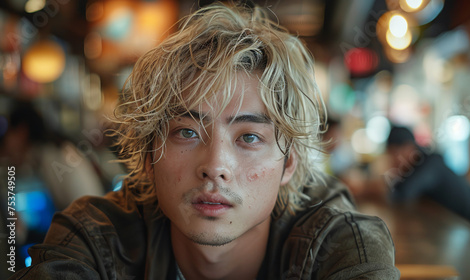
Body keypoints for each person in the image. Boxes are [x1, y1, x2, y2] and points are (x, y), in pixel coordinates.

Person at [10, 3, 399, 279]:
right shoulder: (94, 235)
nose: (215, 165)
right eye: (187, 132)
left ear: (290, 164)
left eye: (248, 137)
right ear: (148, 153)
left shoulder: (338, 241)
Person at [385, 125, 470, 235]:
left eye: (395, 153)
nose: (394, 160)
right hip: (462, 229)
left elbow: (402, 194)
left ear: (409, 147)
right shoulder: (416, 166)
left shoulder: (431, 164)